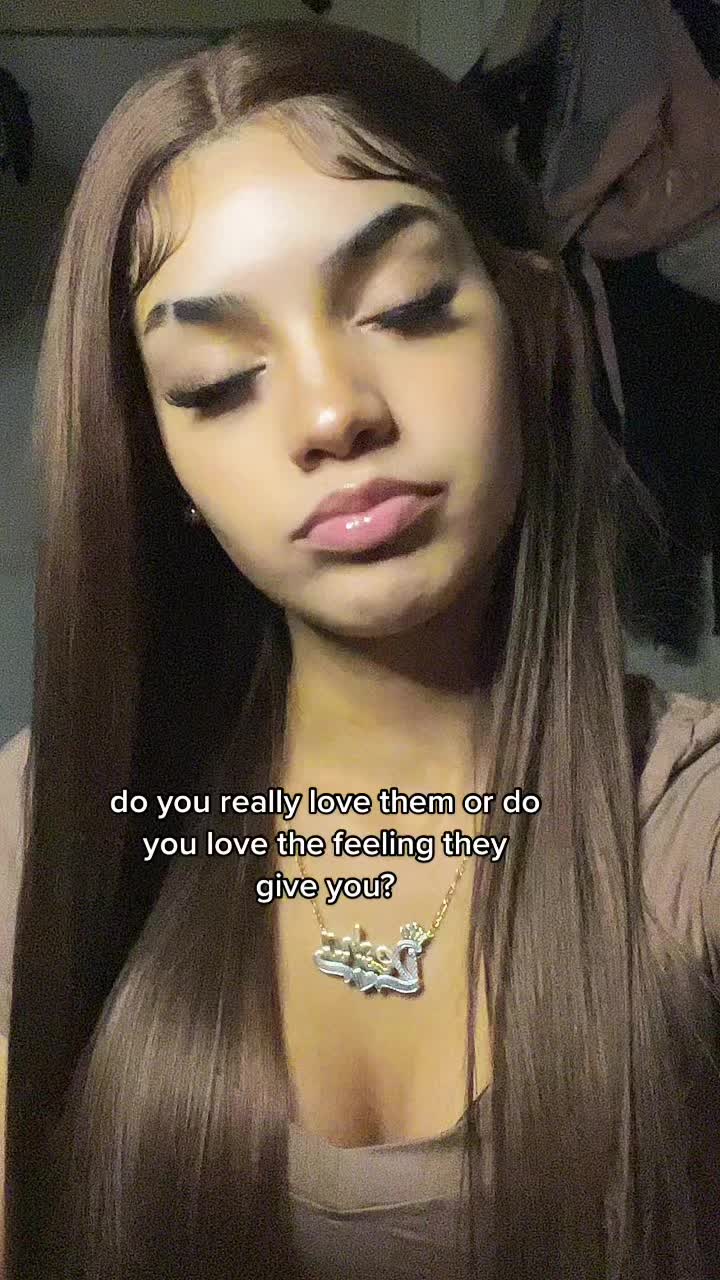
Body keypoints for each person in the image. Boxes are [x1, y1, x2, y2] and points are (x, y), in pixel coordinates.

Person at [0, 19, 717, 1280]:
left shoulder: (687, 834)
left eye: (403, 306)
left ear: (533, 323)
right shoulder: (50, 821)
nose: (333, 412)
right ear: (161, 463)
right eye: (217, 380)